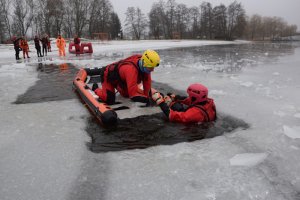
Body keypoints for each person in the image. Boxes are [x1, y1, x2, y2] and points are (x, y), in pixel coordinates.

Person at [92, 49, 160, 105]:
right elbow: (133, 96)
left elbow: (147, 88)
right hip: (107, 75)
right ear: (144, 63)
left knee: (126, 95)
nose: (152, 70)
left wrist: (149, 97)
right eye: (151, 68)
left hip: (121, 79)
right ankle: (96, 89)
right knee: (109, 99)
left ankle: (118, 87)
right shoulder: (131, 70)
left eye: (153, 67)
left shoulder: (145, 67)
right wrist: (149, 100)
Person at [152, 83, 217, 123]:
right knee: (178, 105)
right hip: (202, 120)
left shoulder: (194, 114)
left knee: (177, 107)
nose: (189, 96)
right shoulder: (209, 102)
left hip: (194, 127)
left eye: (190, 95)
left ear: (194, 97)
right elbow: (190, 100)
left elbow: (173, 116)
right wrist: (176, 97)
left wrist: (160, 101)